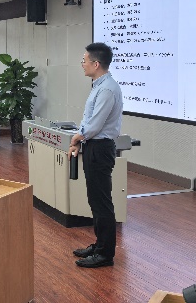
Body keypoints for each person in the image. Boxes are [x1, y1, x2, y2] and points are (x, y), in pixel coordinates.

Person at [68, 42, 123, 268]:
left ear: (96, 63)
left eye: (84, 61)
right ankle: (100, 244)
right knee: (95, 199)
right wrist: (80, 139)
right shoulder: (99, 85)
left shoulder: (107, 89)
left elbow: (95, 124)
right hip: (93, 146)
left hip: (100, 148)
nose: (82, 64)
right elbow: (88, 119)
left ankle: (105, 254)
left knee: (101, 202)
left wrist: (77, 138)